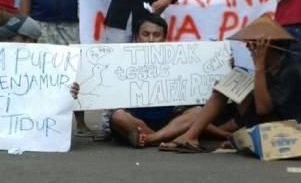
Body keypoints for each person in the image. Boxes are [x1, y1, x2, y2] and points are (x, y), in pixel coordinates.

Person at [163, 15, 301, 153]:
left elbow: (263, 109)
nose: (248, 48)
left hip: (287, 128)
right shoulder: (271, 67)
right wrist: (235, 77)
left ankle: (197, 135)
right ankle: (191, 136)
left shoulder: (291, 70)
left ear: (266, 46)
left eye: (252, 45)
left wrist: (258, 66)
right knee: (227, 85)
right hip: (266, 121)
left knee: (230, 90)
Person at [71, 14, 203, 148]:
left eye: (156, 35)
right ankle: (168, 138)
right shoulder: (119, 61)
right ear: (137, 37)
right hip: (134, 120)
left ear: (164, 38)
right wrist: (78, 89)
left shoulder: (178, 61)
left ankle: (152, 138)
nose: (151, 40)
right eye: (146, 34)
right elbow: (95, 87)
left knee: (198, 111)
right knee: (118, 116)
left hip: (168, 120)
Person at [20, 0, 93, 137]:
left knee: (74, 74)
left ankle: (80, 122)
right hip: (41, 24)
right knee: (42, 73)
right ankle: (42, 119)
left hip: (70, 25)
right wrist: (24, 26)